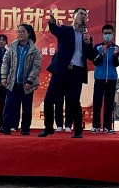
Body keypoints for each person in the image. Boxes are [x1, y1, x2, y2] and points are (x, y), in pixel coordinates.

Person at [38, 7, 97, 139]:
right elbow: (55, 30)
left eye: (85, 14)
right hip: (60, 71)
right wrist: (52, 22)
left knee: (74, 102)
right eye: (80, 13)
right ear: (73, 16)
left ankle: (78, 131)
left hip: (76, 72)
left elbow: (91, 56)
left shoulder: (86, 36)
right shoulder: (65, 30)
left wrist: (88, 43)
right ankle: (48, 128)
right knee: (49, 100)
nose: (83, 16)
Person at [0, 24, 42, 136]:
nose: (20, 34)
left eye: (23, 31)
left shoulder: (34, 50)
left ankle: (25, 129)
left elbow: (36, 67)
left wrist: (30, 80)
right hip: (12, 82)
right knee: (9, 105)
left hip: (26, 83)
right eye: (18, 32)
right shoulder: (11, 48)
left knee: (26, 107)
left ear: (29, 33)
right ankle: (5, 127)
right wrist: (3, 77)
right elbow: (5, 63)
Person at [91, 24, 119, 134]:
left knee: (109, 103)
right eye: (105, 33)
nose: (107, 35)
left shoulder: (116, 48)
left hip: (112, 79)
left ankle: (108, 127)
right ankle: (96, 126)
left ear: (113, 34)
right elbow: (95, 62)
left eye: (109, 33)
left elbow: (117, 63)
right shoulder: (97, 47)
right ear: (102, 34)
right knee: (97, 102)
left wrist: (115, 55)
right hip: (100, 78)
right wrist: (102, 54)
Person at [0, 34, 8, 128]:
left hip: (5, 82)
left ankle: (3, 124)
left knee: (3, 104)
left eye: (3, 40)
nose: (1, 41)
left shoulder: (9, 53)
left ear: (6, 42)